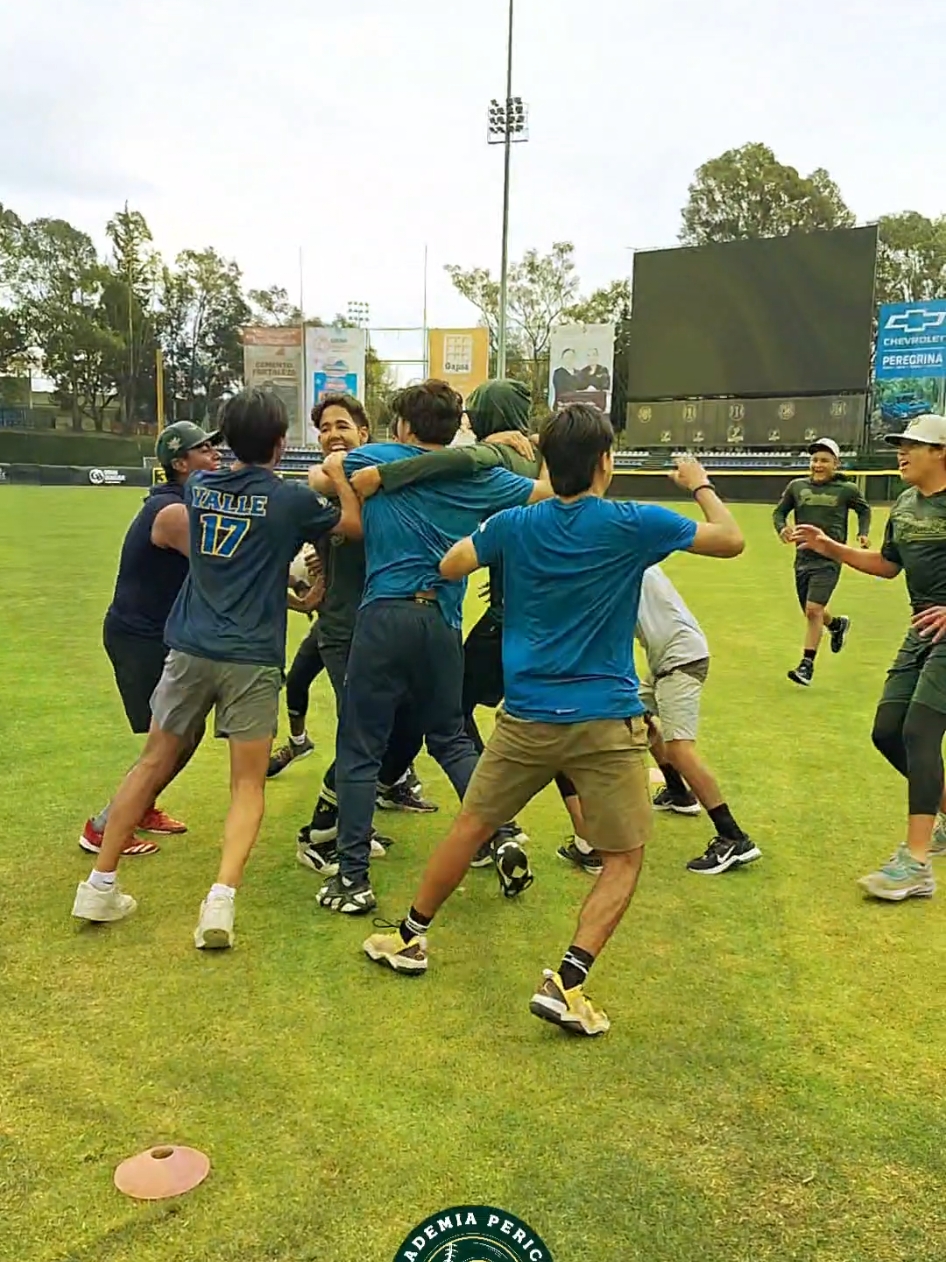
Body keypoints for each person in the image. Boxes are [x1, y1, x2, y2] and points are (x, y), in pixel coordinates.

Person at [363, 404, 744, 1037]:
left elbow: (453, 563)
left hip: (526, 716)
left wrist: (487, 529)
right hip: (606, 720)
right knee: (622, 858)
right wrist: (699, 483)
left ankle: (409, 938)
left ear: (544, 464)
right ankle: (565, 981)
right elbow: (730, 540)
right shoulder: (631, 522)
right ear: (605, 462)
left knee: (470, 826)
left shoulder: (515, 523)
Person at [71, 389, 361, 948]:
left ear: (226, 442)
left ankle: (99, 883)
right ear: (281, 444)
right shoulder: (289, 501)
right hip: (250, 659)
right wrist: (340, 474)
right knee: (247, 785)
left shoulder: (200, 487)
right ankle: (220, 904)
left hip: (187, 649)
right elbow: (350, 524)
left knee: (152, 762)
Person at [308, 379, 548, 915]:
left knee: (360, 747)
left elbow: (325, 471)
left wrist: (356, 493)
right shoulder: (483, 474)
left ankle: (353, 880)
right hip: (442, 620)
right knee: (451, 739)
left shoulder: (374, 456)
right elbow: (544, 493)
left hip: (383, 616)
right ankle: (502, 832)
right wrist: (497, 449)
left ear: (405, 426)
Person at [794, 414, 946, 902]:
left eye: (914, 446)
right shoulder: (903, 503)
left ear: (941, 452)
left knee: (920, 729)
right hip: (921, 627)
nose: (902, 452)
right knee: (887, 730)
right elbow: (887, 565)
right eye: (900, 445)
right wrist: (829, 546)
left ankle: (916, 863)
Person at [295, 394, 436, 877]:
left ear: (365, 434)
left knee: (403, 732)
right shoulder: (318, 494)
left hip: (389, 628)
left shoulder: (377, 482)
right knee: (363, 735)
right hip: (344, 632)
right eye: (325, 428)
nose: (333, 434)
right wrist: (312, 587)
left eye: (343, 425)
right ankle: (320, 833)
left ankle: (355, 818)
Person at [557, 564, 759, 877]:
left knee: (680, 749)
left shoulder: (618, 565)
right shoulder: (629, 555)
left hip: (681, 661)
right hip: (667, 660)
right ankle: (678, 793)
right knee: (637, 718)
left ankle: (734, 837)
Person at [81, 421, 222, 857]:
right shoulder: (173, 512)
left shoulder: (186, 503)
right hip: (139, 639)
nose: (214, 455)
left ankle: (140, 807)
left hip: (158, 635)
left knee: (185, 729)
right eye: (203, 450)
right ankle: (103, 827)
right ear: (180, 464)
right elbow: (223, 572)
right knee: (173, 735)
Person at [773, 438, 871, 686]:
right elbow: (779, 512)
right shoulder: (797, 487)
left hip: (830, 558)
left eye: (824, 460)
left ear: (835, 464)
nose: (818, 464)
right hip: (803, 558)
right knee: (812, 610)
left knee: (813, 610)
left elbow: (864, 509)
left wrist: (863, 532)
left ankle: (807, 665)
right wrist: (783, 528)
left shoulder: (846, 490)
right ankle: (837, 625)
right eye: (815, 460)